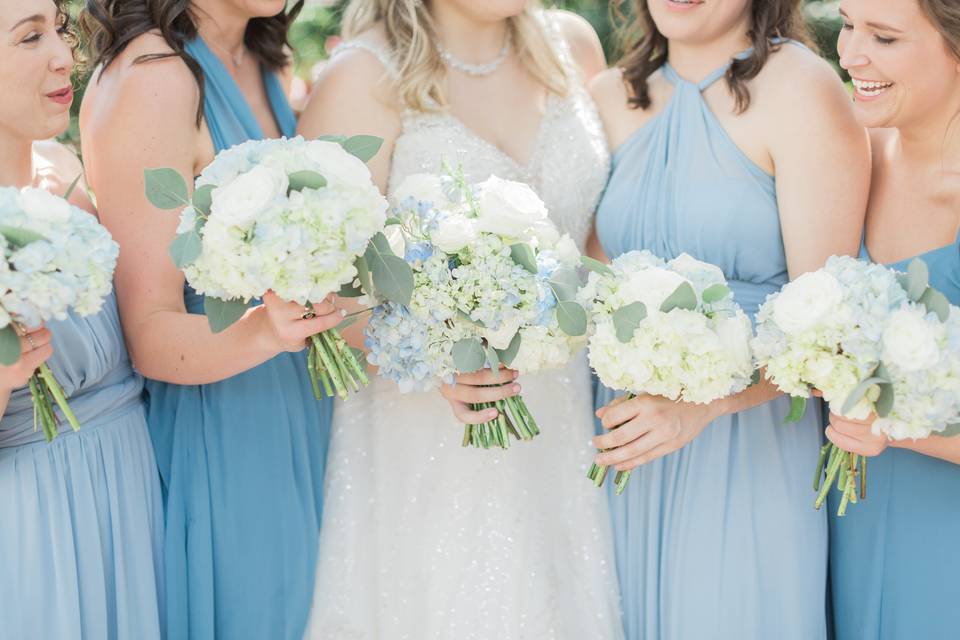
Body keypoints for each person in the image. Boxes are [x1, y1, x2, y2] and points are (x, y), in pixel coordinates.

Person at [298, 1, 623, 637]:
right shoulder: (361, 77)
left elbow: (593, 242)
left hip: (563, 418)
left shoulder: (573, 47)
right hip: (425, 429)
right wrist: (436, 348)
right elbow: (321, 297)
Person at [586, 0, 870, 637]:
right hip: (619, 440)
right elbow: (585, 281)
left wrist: (702, 407)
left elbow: (827, 331)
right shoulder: (609, 96)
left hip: (748, 441)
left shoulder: (801, 88)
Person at [79, 1, 342, 637]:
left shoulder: (263, 58)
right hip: (227, 436)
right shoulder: (156, 79)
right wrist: (266, 328)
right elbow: (149, 334)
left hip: (303, 410)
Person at [0, 1, 163, 637]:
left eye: (59, 29)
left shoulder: (70, 174)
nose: (64, 55)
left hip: (129, 496)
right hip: (37, 524)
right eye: (29, 37)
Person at [827, 1, 960, 637]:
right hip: (836, 525)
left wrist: (894, 428)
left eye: (883, 36)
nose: (851, 54)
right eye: (849, 24)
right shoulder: (849, 155)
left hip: (942, 539)